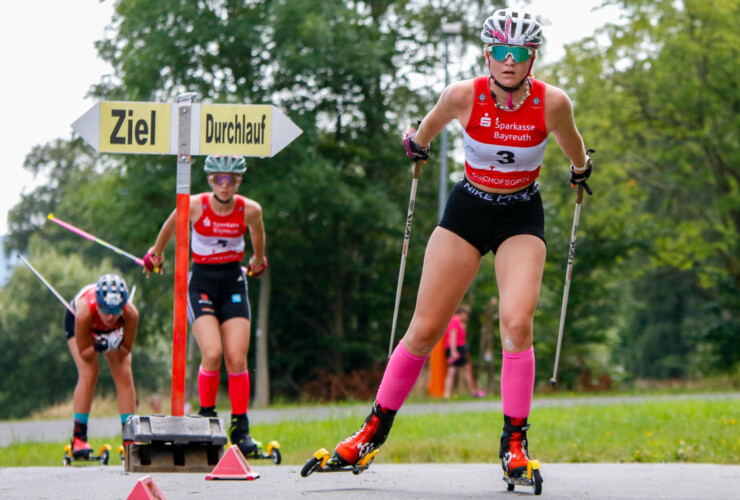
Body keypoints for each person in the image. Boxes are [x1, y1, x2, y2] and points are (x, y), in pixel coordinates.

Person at [330, 8, 593, 480]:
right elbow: (424, 131)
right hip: (467, 210)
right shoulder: (461, 96)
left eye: (520, 53)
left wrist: (580, 169)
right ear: (487, 54)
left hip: (520, 214)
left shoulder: (553, 103)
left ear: (533, 57)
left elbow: (574, 146)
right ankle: (371, 431)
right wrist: (415, 144)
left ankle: (514, 443)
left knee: (517, 323)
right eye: (500, 52)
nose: (509, 62)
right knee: (426, 329)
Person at [142, 154, 268, 457]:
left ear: (238, 181)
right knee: (212, 353)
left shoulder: (249, 209)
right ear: (209, 179)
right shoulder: (196, 204)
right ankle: (207, 419)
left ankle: (241, 429)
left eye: (231, 179)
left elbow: (258, 233)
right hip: (200, 282)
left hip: (232, 282)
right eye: (218, 179)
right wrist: (156, 254)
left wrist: (257, 260)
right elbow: (171, 225)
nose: (224, 185)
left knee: (237, 358)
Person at [65, 273, 138, 459]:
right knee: (89, 372)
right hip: (85, 328)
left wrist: (115, 343)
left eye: (116, 311)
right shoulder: (84, 312)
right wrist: (100, 345)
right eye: (106, 310)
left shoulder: (130, 314)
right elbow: (84, 353)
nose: (111, 316)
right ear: (98, 304)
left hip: (113, 333)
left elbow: (125, 350)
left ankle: (129, 437)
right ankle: (79, 437)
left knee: (124, 373)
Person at [443, 305, 486, 399]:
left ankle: (447, 394)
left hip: (458, 347)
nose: (467, 316)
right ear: (462, 313)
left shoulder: (459, 322)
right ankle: (473, 392)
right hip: (455, 348)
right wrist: (454, 352)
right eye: (467, 314)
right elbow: (452, 336)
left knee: (455, 370)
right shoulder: (455, 321)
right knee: (461, 370)